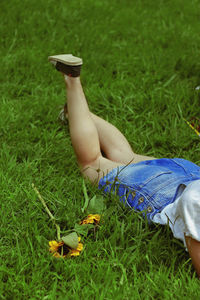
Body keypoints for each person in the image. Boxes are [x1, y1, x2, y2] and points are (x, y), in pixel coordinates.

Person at [48, 54, 200, 278]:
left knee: (125, 156)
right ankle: (72, 78)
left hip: (189, 174)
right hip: (168, 192)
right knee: (92, 164)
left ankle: (77, 111)